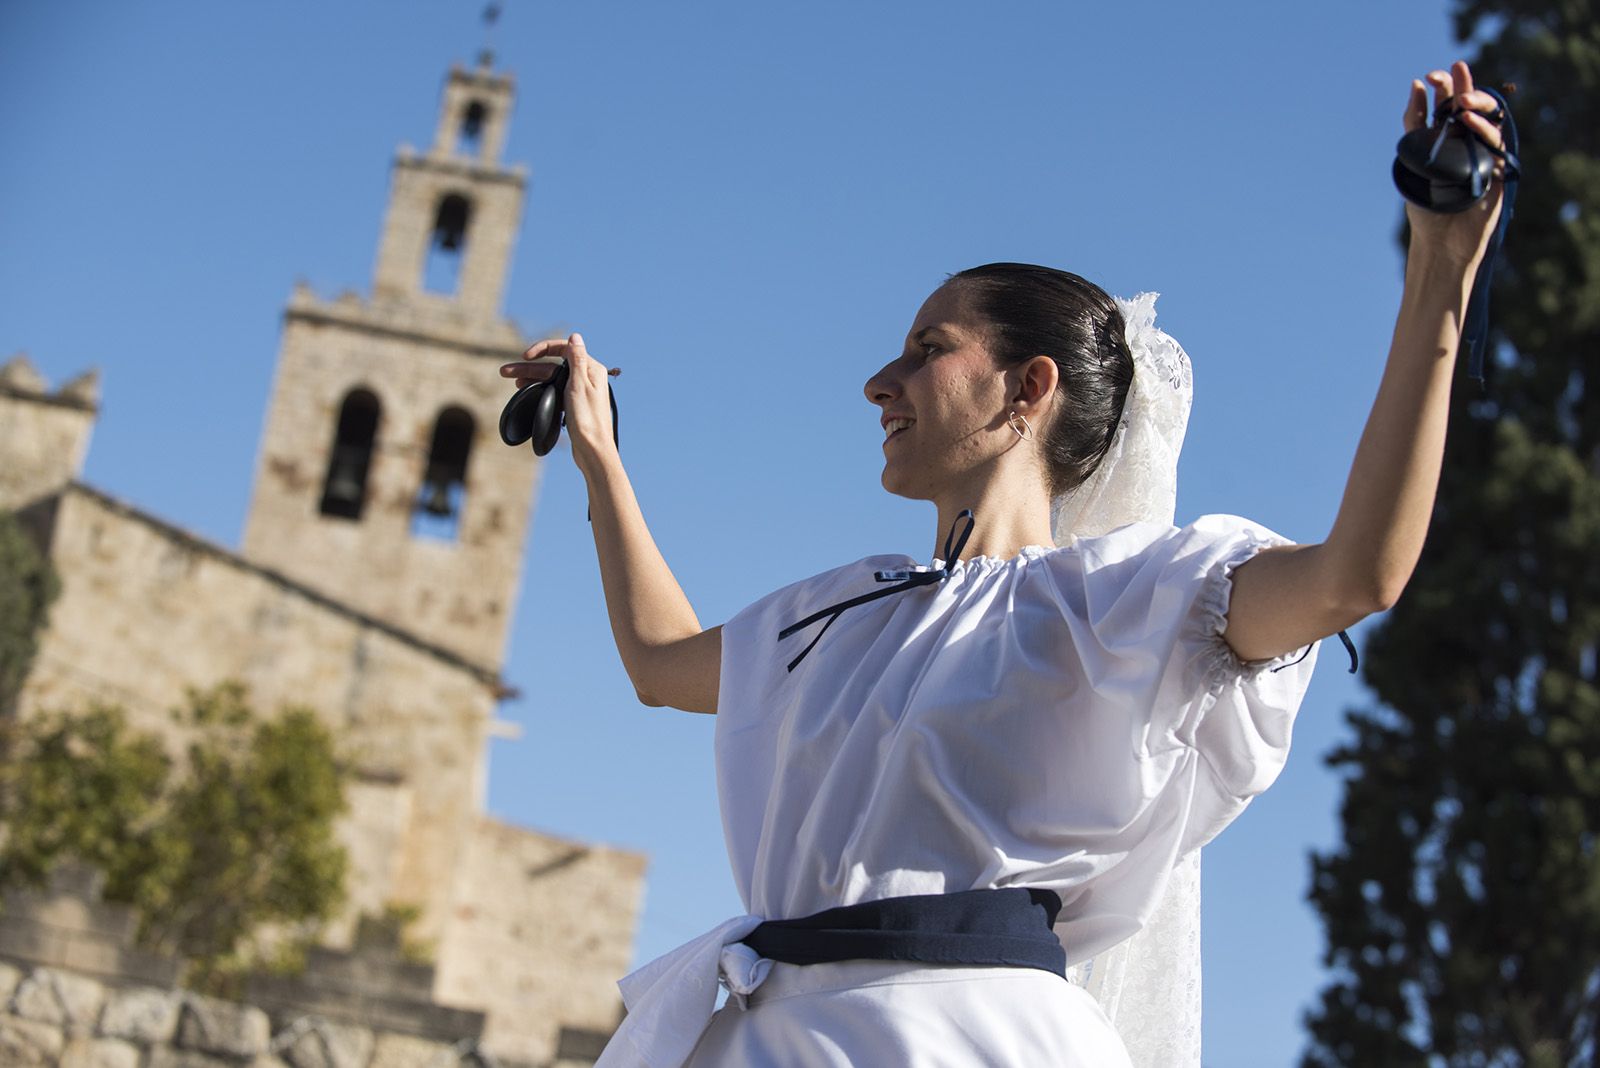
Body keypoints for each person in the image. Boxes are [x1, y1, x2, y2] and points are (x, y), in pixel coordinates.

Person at [499, 59, 1511, 1068]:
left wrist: (1437, 276)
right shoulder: (838, 611)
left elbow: (1355, 576)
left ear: (1027, 389)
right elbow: (660, 660)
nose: (876, 383)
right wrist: (600, 455)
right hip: (760, 1038)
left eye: (924, 349)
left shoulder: (1125, 601)